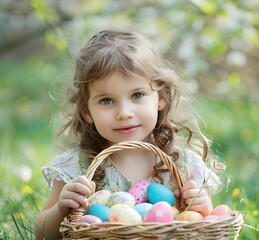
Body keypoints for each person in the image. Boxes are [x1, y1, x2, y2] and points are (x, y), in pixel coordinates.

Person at [34, 28, 224, 239]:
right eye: (106, 100)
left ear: (160, 98)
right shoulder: (77, 169)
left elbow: (205, 224)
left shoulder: (183, 167)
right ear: (87, 111)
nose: (124, 113)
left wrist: (201, 207)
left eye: (137, 95)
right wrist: (61, 208)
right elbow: (42, 235)